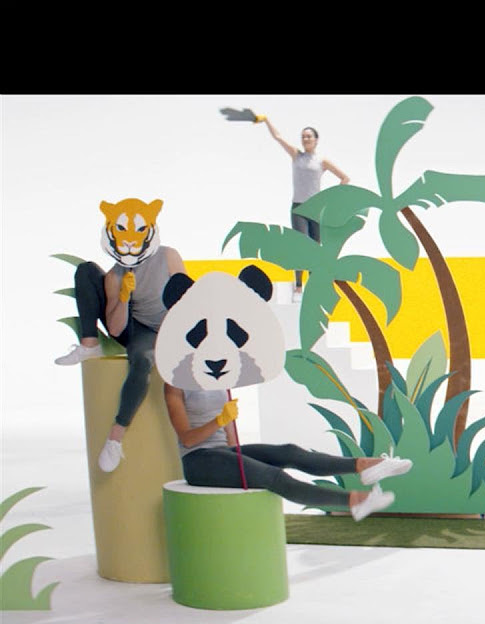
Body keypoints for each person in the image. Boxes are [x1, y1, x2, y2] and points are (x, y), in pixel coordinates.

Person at [55, 199, 186, 473]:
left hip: (168, 327)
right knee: (86, 271)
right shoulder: (115, 275)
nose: (129, 241)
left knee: (144, 360)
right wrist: (124, 297)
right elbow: (116, 330)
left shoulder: (168, 257)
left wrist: (173, 335)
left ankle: (116, 435)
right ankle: (90, 345)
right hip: (135, 328)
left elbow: (184, 298)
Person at [163, 383, 403, 521]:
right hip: (198, 461)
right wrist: (220, 420)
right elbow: (187, 439)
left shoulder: (216, 375)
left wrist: (236, 457)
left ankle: (364, 465)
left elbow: (229, 436)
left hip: (221, 454)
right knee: (273, 477)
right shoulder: (174, 384)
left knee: (290, 452)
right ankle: (354, 501)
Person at [258, 115, 350, 299]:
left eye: (309, 136)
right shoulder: (296, 155)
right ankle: (298, 287)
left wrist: (331, 200)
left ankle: (314, 287)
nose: (306, 139)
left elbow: (345, 178)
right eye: (303, 136)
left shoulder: (322, 161)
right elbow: (278, 137)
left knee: (315, 248)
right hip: (299, 207)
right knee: (301, 246)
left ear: (316, 140)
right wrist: (266, 120)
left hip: (316, 210)